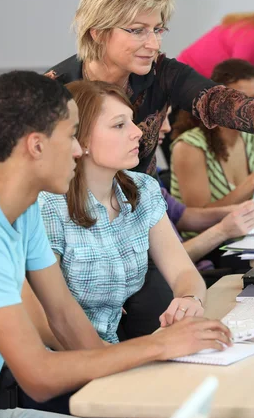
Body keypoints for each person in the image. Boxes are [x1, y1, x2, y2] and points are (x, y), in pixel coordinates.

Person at [0, 71, 231, 418]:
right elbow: (39, 376)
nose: (78, 150)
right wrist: (159, 347)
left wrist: (131, 383)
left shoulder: (22, 207)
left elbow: (63, 315)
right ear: (36, 146)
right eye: (70, 137)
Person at [45, 0, 254, 178]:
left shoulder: (163, 72)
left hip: (142, 215)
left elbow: (226, 103)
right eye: (137, 31)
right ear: (97, 33)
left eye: (158, 30)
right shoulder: (53, 91)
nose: (153, 43)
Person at [38, 79, 206, 346]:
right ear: (79, 139)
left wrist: (188, 300)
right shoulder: (48, 205)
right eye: (119, 125)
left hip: (113, 351)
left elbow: (185, 274)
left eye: (131, 121)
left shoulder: (143, 189)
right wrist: (124, 359)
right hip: (67, 360)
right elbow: (47, 324)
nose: (137, 132)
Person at [157, 107, 254, 268]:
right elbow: (167, 262)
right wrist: (223, 229)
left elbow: (183, 216)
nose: (167, 127)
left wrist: (241, 211)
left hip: (202, 264)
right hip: (204, 261)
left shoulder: (145, 182)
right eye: (119, 125)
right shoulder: (189, 145)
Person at [170, 59, 254, 208]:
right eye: (241, 99)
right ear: (217, 101)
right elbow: (197, 217)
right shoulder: (189, 146)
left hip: (245, 228)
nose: (251, 108)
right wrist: (253, 182)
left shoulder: (251, 136)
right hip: (207, 231)